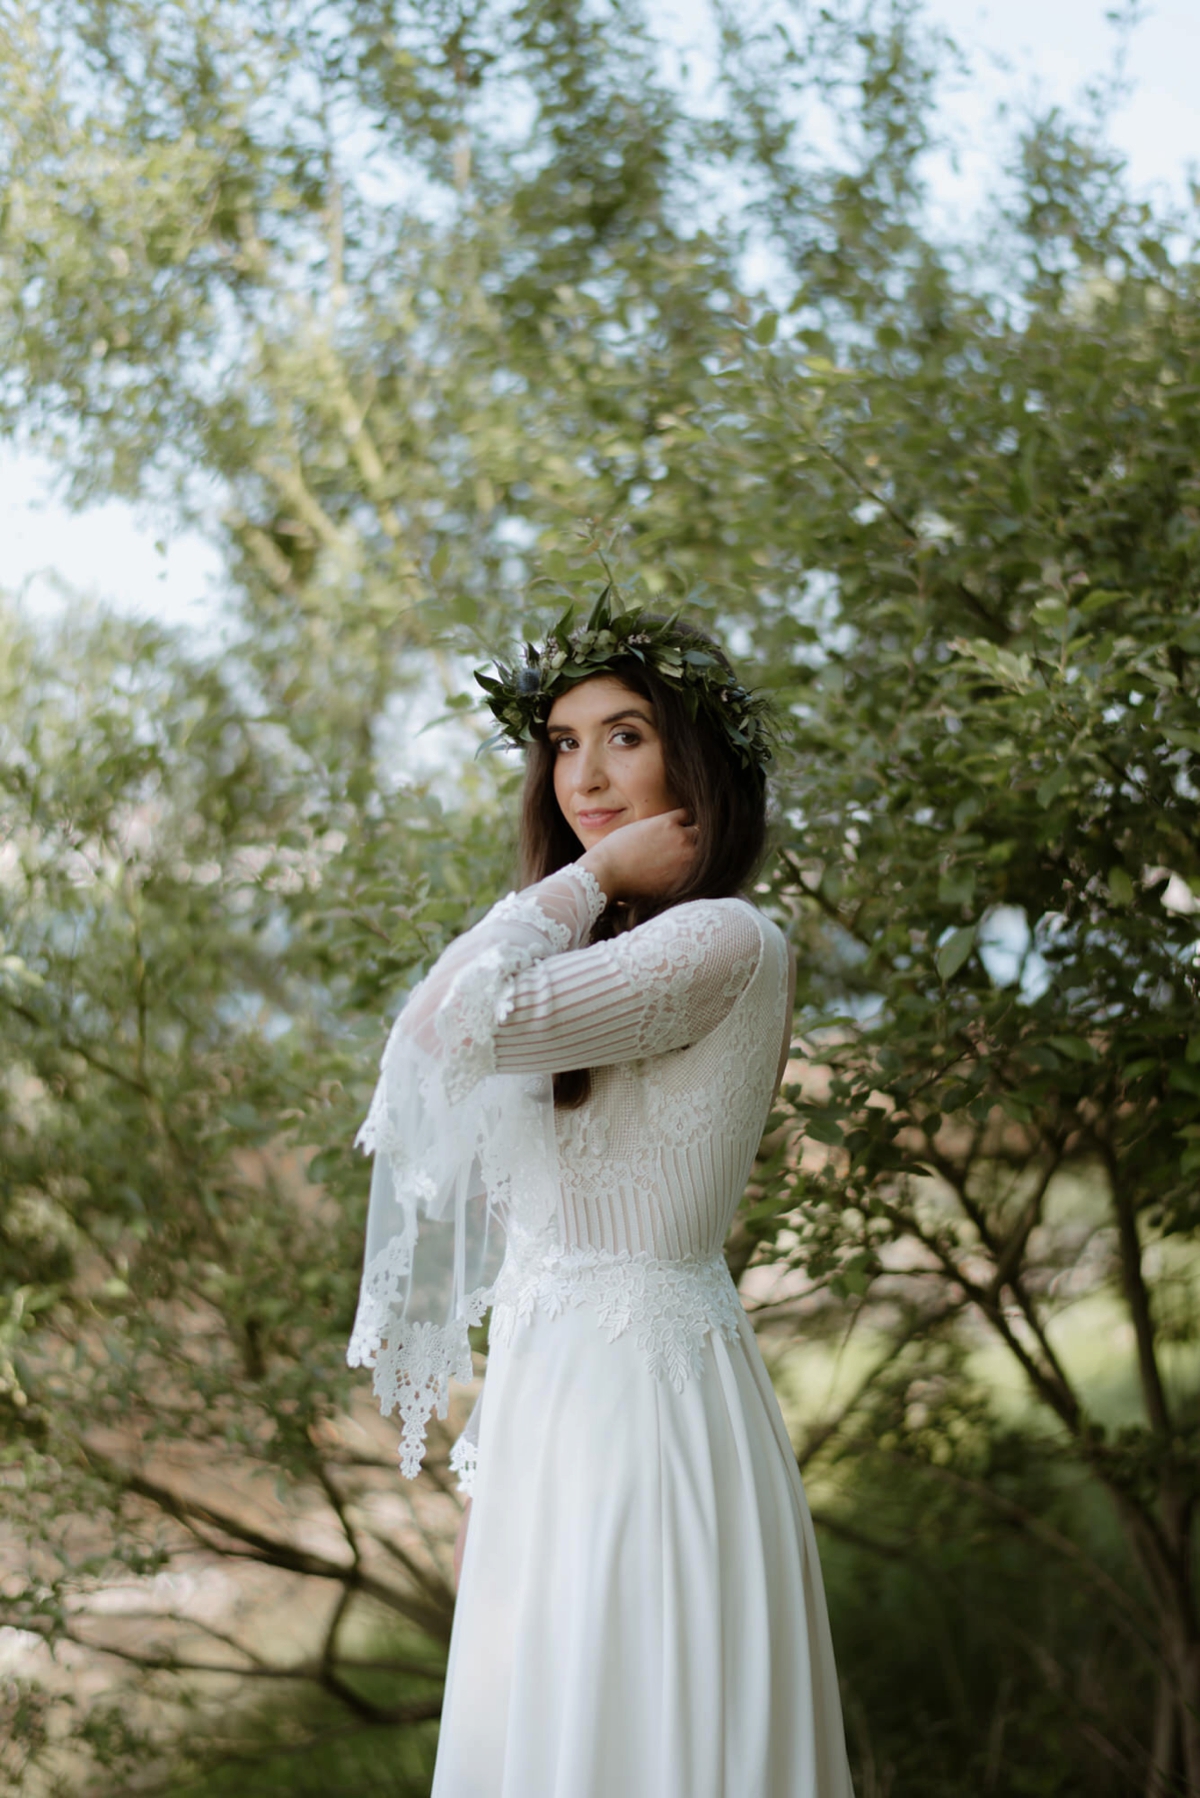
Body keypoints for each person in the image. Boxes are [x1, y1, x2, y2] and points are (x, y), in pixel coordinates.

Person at [348, 591, 854, 1797]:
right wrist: (492, 1475)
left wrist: (584, 878)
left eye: (624, 735)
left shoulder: (723, 940)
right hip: (550, 1414)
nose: (587, 772)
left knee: (642, 1734)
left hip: (648, 1410)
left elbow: (443, 1025)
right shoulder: (592, 948)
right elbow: (524, 1233)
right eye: (563, 744)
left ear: (696, 757)